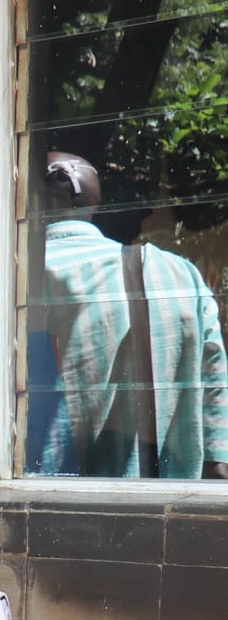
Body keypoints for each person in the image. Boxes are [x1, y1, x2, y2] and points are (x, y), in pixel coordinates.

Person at [27, 151, 228, 479]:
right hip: (168, 501)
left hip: (46, 499)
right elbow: (216, 381)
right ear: (95, 205)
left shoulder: (17, 279)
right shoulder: (179, 275)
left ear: (35, 204)